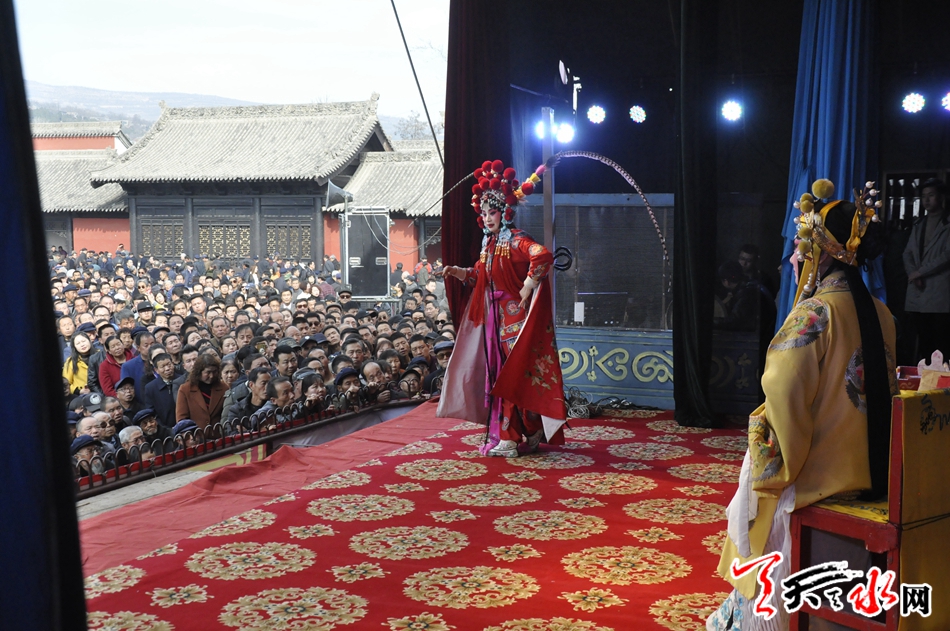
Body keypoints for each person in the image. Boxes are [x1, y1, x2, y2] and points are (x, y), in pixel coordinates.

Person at [708, 179, 896, 630]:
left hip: (816, 476)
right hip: (870, 472)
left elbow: (784, 398)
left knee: (756, 479)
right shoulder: (882, 313)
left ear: (821, 254)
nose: (793, 258)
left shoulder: (814, 314)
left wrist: (769, 459)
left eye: (798, 247)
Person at [436, 159, 567, 457]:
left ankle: (510, 437)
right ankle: (529, 431)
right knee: (502, 376)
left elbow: (543, 256)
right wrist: (458, 272)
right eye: (483, 213)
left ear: (505, 211)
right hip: (495, 320)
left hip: (515, 319)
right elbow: (480, 276)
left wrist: (527, 285)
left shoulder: (517, 240)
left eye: (492, 212)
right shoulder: (490, 245)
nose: (487, 218)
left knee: (511, 377)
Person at [902, 177, 950, 362]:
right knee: (924, 341)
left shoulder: (947, 223)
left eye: (931, 195)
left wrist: (920, 272)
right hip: (918, 291)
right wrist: (913, 274)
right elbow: (907, 253)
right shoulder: (919, 224)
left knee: (941, 342)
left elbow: (946, 255)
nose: (927, 200)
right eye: (923, 196)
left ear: (941, 197)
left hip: (939, 292)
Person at [175, 353, 227, 430]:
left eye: (214, 372)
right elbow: (182, 418)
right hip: (197, 434)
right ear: (199, 372)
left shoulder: (223, 388)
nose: (211, 376)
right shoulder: (185, 390)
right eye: (208, 372)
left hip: (219, 433)